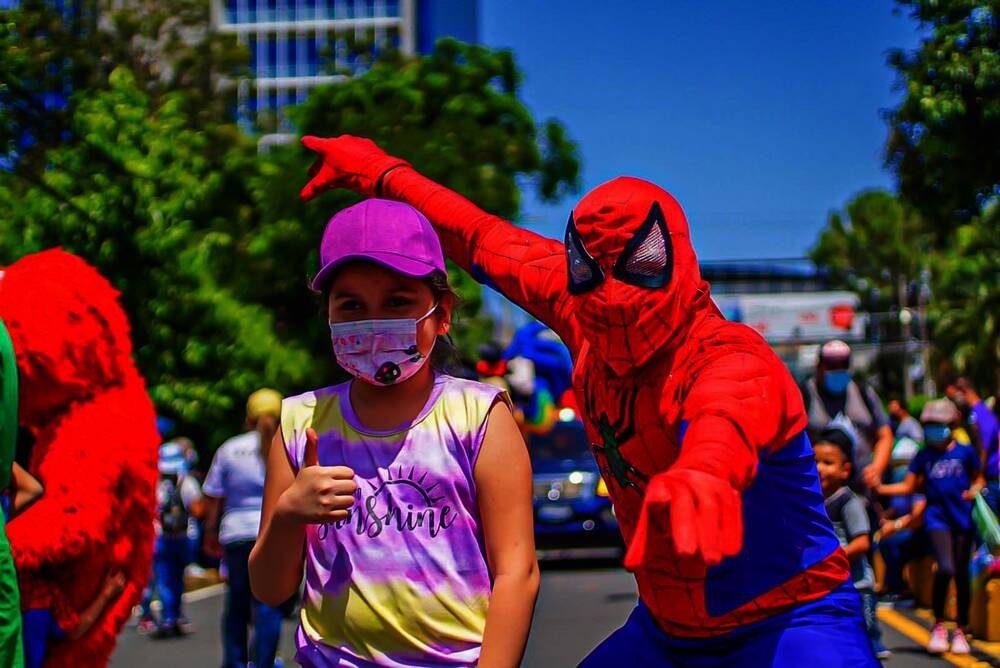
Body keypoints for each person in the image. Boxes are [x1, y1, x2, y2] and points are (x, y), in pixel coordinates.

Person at [297, 136, 875, 666]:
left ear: (674, 255)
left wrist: (704, 472)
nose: (614, 295)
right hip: (667, 634)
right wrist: (379, 170)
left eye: (642, 265)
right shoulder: (581, 311)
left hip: (792, 620)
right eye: (588, 268)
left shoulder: (726, 354)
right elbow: (476, 235)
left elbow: (728, 410)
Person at [249, 199, 540, 667]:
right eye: (352, 305)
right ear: (329, 316)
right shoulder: (301, 424)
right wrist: (288, 515)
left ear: (441, 314)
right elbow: (269, 588)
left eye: (398, 302)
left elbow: (517, 571)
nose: (374, 320)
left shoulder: (479, 416)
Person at [877, 399, 983, 655]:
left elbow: (978, 478)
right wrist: (879, 487)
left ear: (951, 424)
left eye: (938, 424)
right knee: (945, 567)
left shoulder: (965, 452)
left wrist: (976, 490)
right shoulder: (923, 456)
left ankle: (960, 628)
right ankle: (938, 625)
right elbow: (909, 486)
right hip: (937, 518)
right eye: (929, 425)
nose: (932, 429)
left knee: (960, 573)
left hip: (963, 518)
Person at [203, 388, 288, 668]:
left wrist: (210, 532)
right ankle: (263, 662)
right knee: (268, 605)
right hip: (273, 534)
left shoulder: (229, 448)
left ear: (248, 419)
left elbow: (215, 495)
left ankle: (236, 662)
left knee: (237, 605)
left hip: (236, 534)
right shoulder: (287, 445)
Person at [814, 425, 890, 660]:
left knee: (864, 640)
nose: (819, 468)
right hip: (829, 587)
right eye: (814, 461)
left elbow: (862, 543)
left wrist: (830, 561)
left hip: (857, 588)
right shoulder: (812, 500)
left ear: (845, 469)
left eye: (827, 462)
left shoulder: (849, 502)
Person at [803, 339, 894, 488]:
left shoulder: (863, 392)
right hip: (819, 490)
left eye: (843, 365)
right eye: (832, 366)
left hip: (861, 487)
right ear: (819, 367)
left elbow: (885, 434)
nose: (838, 370)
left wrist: (876, 468)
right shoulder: (806, 394)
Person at [145, 441, 203, 638]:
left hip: (162, 537)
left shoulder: (156, 484)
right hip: (186, 536)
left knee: (164, 578)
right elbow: (197, 509)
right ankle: (175, 615)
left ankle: (169, 617)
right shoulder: (187, 482)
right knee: (178, 577)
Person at [875, 436, 929, 603]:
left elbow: (917, 515)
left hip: (923, 532)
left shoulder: (920, 482)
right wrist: (885, 518)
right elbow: (898, 507)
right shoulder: (900, 478)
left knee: (892, 544)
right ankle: (891, 585)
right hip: (908, 528)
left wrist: (895, 525)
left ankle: (900, 588)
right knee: (883, 542)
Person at [945, 377, 1000, 515]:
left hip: (991, 480)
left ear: (963, 391)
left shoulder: (979, 414)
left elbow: (984, 447)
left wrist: (979, 475)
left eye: (954, 396)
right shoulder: (976, 413)